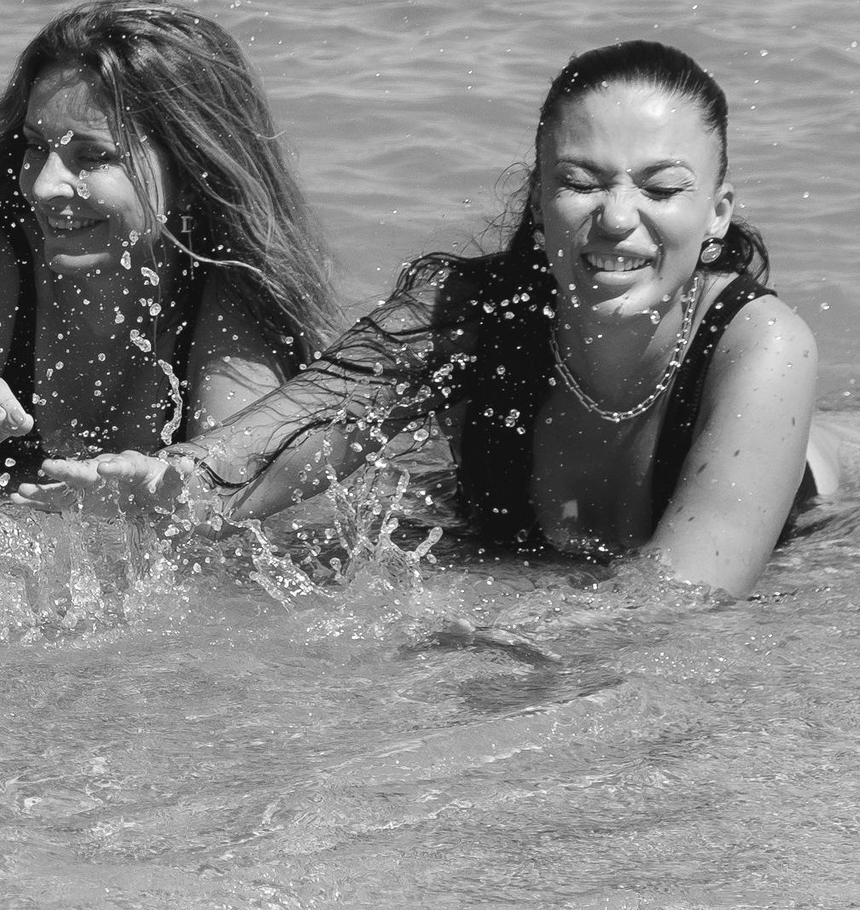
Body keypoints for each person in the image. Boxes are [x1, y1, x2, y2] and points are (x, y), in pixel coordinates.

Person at [46, 40, 827, 599]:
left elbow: (681, 596)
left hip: (829, 523)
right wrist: (177, 480)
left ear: (717, 214)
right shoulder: (473, 313)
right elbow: (308, 417)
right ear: (539, 199)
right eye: (581, 182)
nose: (618, 218)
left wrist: (464, 626)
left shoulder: (763, 346)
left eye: (661, 189)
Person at [0, 0, 337, 503]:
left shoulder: (233, 288)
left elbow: (237, 504)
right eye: (37, 147)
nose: (43, 186)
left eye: (93, 157)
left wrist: (162, 499)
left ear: (194, 167)